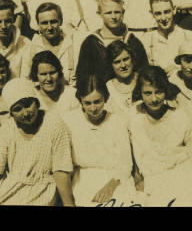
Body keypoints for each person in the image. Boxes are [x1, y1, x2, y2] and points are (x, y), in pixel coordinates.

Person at [127, 66, 192, 207]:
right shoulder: (133, 117)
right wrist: (138, 179)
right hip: (154, 182)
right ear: (140, 93)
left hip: (185, 177)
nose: (154, 99)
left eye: (158, 92)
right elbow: (128, 155)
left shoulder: (180, 117)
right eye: (147, 93)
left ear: (165, 90)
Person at [0, 78, 75, 206]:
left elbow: (61, 172)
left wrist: (69, 204)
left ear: (36, 102)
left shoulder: (54, 125)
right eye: (18, 109)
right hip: (10, 189)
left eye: (28, 104)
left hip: (42, 191)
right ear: (11, 113)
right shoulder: (7, 129)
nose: (25, 113)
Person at [60, 75, 143, 206]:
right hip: (83, 179)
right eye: (87, 103)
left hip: (116, 179)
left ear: (106, 98)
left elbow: (125, 164)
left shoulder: (118, 121)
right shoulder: (69, 121)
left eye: (98, 101)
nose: (93, 108)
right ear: (80, 100)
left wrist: (110, 186)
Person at [75, 0, 149, 83]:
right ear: (99, 14)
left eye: (117, 12)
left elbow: (144, 73)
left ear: (123, 12)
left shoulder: (132, 41)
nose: (113, 17)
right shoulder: (91, 43)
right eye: (108, 13)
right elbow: (83, 77)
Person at [139, 0, 192, 76]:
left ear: (174, 10)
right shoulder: (146, 40)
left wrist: (180, 69)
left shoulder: (190, 36)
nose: (163, 18)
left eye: (167, 12)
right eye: (158, 13)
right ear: (152, 14)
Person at [27, 3, 76, 86]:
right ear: (38, 25)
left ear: (61, 21)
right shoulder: (31, 49)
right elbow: (27, 81)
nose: (49, 27)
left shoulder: (73, 45)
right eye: (44, 23)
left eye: (53, 22)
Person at [104, 40, 140, 115]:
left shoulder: (143, 80)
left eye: (126, 59)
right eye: (117, 62)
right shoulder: (108, 88)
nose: (123, 65)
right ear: (111, 65)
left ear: (132, 59)